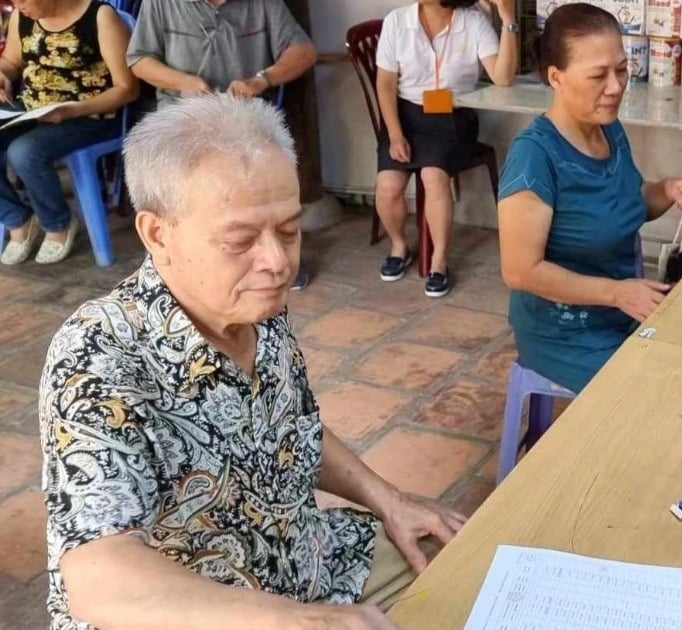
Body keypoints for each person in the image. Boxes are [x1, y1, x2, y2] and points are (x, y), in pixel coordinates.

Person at [39, 95, 462, 630]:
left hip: (308, 565)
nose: (278, 262)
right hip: (203, 615)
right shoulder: (98, 356)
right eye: (240, 240)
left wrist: (390, 500)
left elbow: (291, 425)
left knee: (464, 564)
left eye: (288, 230)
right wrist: (293, 622)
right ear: (156, 233)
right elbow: (99, 576)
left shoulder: (253, 305)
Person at [497, 3, 682, 394]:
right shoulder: (535, 157)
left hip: (620, 313)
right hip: (565, 335)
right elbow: (520, 271)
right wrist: (616, 292)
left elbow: (628, 202)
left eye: (621, 70)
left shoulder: (608, 130)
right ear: (556, 77)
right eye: (598, 75)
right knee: (666, 393)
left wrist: (666, 190)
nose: (616, 86)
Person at [126, 0, 318, 290]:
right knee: (181, 191)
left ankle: (272, 257)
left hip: (242, 117)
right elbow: (139, 60)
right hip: (181, 115)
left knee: (260, 180)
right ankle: (174, 261)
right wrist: (184, 82)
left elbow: (303, 52)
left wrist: (261, 80)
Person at [374, 0, 518, 298]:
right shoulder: (397, 21)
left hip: (453, 115)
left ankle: (438, 260)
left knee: (433, 176)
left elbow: (502, 77)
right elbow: (385, 85)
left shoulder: (473, 21)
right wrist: (395, 133)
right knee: (388, 185)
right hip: (406, 115)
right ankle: (399, 245)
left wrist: (508, 20)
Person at [0, 0, 137, 266]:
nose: (19, 6)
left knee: (24, 152)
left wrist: (73, 111)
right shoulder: (22, 16)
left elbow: (127, 89)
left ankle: (57, 222)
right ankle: (18, 220)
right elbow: (11, 61)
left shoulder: (101, 17)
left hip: (92, 114)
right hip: (35, 110)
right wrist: (3, 74)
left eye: (24, 0)